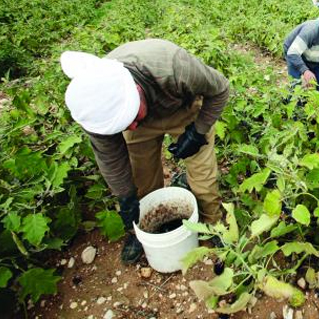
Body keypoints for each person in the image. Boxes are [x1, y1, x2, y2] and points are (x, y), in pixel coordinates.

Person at [60, 39, 230, 263]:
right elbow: (110, 158)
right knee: (141, 177)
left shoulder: (175, 67)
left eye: (129, 118)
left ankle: (212, 223)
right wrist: (126, 196)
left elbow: (220, 89)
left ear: (136, 91)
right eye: (121, 126)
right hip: (141, 118)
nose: (128, 128)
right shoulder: (96, 112)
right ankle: (142, 232)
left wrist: (197, 132)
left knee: (203, 173)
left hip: (182, 108)